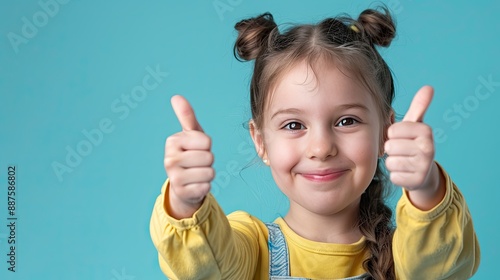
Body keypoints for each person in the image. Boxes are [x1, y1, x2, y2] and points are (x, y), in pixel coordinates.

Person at [150, 7, 480, 280]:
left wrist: (426, 187)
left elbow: (438, 268)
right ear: (260, 141)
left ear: (386, 133)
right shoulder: (251, 249)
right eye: (294, 125)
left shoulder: (407, 257)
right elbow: (207, 268)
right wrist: (185, 203)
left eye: (347, 121)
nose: (321, 148)